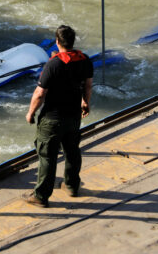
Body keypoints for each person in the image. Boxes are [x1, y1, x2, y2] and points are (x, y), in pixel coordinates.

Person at [24, 25, 93, 207]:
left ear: (57, 42)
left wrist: (31, 113)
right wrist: (85, 102)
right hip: (73, 117)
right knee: (72, 151)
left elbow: (40, 93)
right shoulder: (85, 60)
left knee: (48, 156)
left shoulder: (53, 64)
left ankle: (41, 196)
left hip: (52, 119)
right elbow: (88, 85)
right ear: (72, 41)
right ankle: (71, 186)